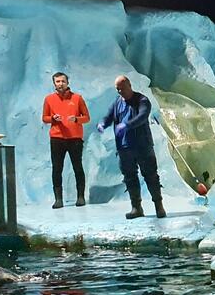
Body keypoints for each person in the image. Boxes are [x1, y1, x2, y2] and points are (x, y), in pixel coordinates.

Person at [96, 75, 165, 219]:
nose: (120, 91)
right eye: (117, 89)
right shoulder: (117, 103)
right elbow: (109, 117)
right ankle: (136, 207)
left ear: (129, 85)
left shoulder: (142, 100)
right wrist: (103, 123)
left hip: (142, 145)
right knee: (129, 177)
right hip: (124, 147)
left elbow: (142, 116)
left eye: (122, 88)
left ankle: (159, 206)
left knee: (151, 175)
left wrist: (127, 125)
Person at [42, 71, 91, 208]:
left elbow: (87, 117)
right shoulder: (49, 99)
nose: (60, 84)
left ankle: (80, 197)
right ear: (54, 84)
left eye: (63, 81)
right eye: (57, 81)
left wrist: (76, 119)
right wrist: (52, 118)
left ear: (67, 82)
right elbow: (44, 118)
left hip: (75, 138)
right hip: (57, 138)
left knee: (77, 167)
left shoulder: (77, 98)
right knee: (57, 168)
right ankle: (58, 199)